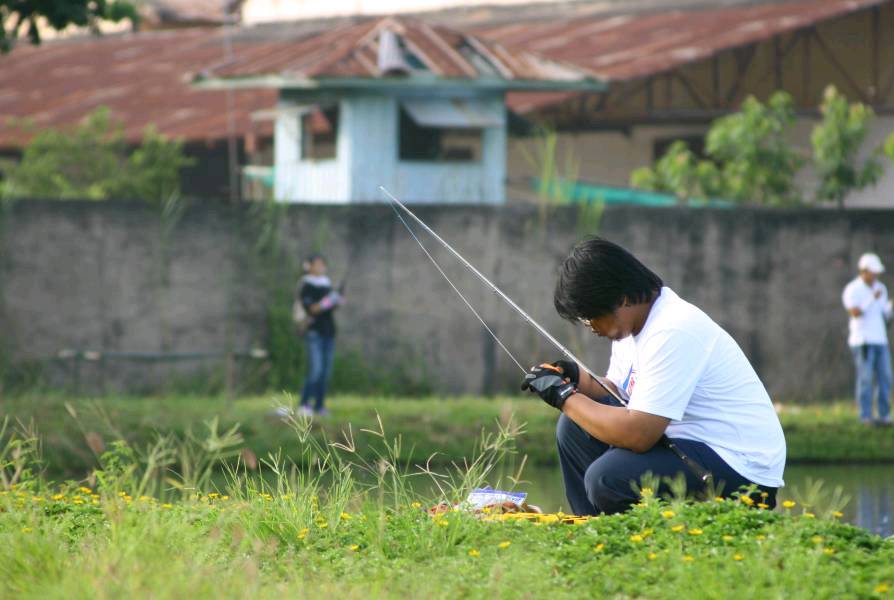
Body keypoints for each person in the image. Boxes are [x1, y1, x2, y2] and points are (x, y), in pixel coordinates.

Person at [521, 237, 786, 516]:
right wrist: (574, 379)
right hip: (687, 445)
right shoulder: (633, 327)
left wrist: (564, 397)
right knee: (574, 427)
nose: (590, 327)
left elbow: (639, 433)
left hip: (741, 469)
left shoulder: (672, 330)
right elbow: (617, 392)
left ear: (620, 298)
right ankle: (593, 533)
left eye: (589, 317)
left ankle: (638, 543)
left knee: (607, 477)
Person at [842, 252, 893, 426]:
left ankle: (884, 415)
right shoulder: (853, 289)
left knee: (885, 377)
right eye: (873, 272)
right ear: (864, 271)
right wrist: (872, 299)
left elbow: (885, 316)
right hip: (863, 341)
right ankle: (865, 417)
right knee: (865, 379)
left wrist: (891, 307)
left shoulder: (881, 288)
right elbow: (855, 313)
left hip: (880, 340)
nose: (875, 276)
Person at [297, 254, 343, 416]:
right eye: (316, 264)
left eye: (322, 264)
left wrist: (337, 300)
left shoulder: (326, 285)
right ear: (309, 266)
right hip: (314, 332)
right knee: (315, 370)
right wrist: (328, 301)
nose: (320, 267)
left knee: (325, 373)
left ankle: (319, 405)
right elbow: (313, 309)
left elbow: (332, 308)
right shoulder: (307, 285)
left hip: (329, 332)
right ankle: (304, 404)